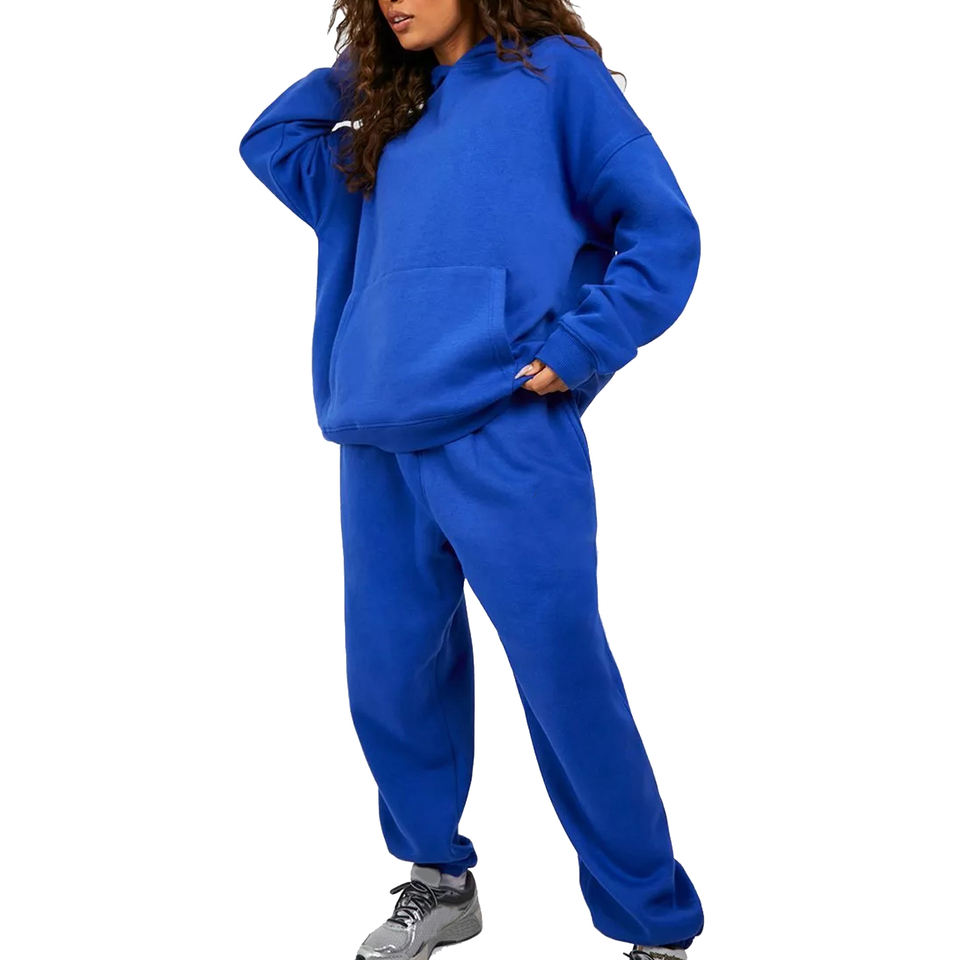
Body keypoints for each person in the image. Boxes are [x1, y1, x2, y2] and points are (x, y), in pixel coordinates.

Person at [239, 1, 704, 957]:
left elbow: (662, 231)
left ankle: (654, 925)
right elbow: (269, 139)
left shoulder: (551, 78)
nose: (391, 1)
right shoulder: (382, 125)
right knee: (391, 678)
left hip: (506, 426)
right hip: (378, 435)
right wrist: (372, 72)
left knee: (565, 679)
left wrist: (581, 346)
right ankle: (439, 882)